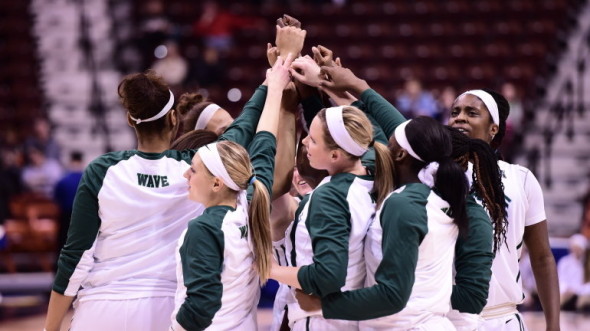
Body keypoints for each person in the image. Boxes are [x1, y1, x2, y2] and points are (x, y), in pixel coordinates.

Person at [44, 65, 274, 331]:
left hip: (102, 308)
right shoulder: (196, 168)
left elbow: (74, 257)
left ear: (130, 121)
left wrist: (50, 328)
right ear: (174, 118)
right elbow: (244, 126)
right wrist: (272, 78)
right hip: (165, 310)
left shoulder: (102, 171)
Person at [296, 117, 470, 330]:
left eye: (389, 144)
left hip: (407, 325)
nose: (381, 150)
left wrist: (322, 306)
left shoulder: (403, 205)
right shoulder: (436, 198)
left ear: (400, 154)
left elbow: (393, 295)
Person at [170, 53, 292, 330]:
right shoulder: (252, 204)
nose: (186, 174)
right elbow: (264, 140)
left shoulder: (204, 227)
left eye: (194, 170)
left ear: (217, 183)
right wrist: (274, 88)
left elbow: (201, 307)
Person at [270, 105, 393, 330]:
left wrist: (270, 269)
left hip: (322, 320)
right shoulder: (371, 179)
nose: (305, 141)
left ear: (335, 155)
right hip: (348, 317)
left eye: (313, 140)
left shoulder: (331, 197)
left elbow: (327, 276)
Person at [449, 89, 560, 330]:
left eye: (472, 113)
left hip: (503, 319)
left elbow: (542, 257)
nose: (459, 118)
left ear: (494, 128)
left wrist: (553, 325)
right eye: (455, 112)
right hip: (446, 318)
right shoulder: (435, 173)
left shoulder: (521, 179)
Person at [52, 151, 84, 272]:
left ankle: (59, 275)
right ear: (81, 162)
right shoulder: (88, 179)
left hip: (65, 217)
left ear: (71, 162)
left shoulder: (62, 181)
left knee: (63, 246)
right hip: (83, 218)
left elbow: (57, 200)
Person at [558, 233, 587, 310]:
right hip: (567, 292)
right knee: (558, 300)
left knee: (583, 300)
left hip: (582, 292)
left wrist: (577, 290)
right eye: (574, 248)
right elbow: (561, 279)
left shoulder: (587, 264)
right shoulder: (564, 262)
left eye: (578, 248)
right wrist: (566, 289)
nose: (576, 251)